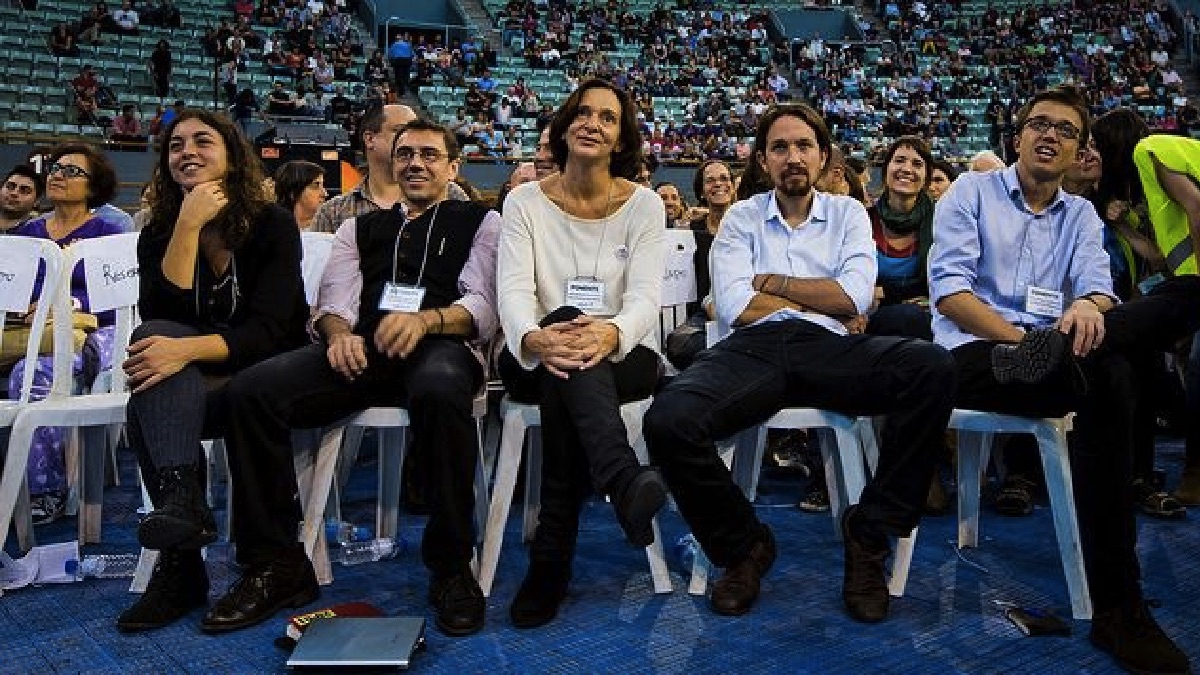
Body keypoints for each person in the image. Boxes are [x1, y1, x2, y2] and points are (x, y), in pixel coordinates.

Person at [643, 103, 956, 623]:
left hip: (829, 348)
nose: (793, 156)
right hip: (754, 349)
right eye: (780, 147)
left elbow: (855, 298)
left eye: (804, 146)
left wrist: (774, 283)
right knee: (669, 419)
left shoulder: (848, 213)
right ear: (763, 160)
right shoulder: (743, 216)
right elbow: (738, 304)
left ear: (823, 155)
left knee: (932, 368)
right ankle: (743, 548)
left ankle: (869, 533)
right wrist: (816, 298)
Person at [928, 86, 1195, 675]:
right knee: (1120, 366)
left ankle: (1119, 609)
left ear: (1079, 152)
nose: (1050, 135)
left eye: (1066, 130)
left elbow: (1098, 286)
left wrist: (1092, 307)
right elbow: (951, 294)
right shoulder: (971, 193)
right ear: (1017, 136)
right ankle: (1119, 610)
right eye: (1039, 124)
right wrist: (1027, 343)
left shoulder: (1080, 215)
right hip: (978, 358)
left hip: (1060, 361)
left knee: (1117, 361)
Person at [221, 118, 500, 636]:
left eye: (430, 155)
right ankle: (277, 563)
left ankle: (451, 567)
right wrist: (337, 334)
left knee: (440, 390)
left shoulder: (479, 221)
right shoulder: (357, 227)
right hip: (364, 350)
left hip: (441, 344)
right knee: (250, 391)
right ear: (392, 163)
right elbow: (334, 302)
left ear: (453, 166)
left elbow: (482, 304)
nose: (415, 163)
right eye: (405, 154)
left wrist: (426, 320)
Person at [115, 109, 312, 634]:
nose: (187, 152)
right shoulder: (160, 230)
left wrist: (183, 352)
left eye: (203, 141)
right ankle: (183, 509)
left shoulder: (271, 224)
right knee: (152, 354)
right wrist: (186, 223)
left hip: (271, 369)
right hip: (199, 379)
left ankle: (181, 561)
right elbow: (162, 318)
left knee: (153, 381)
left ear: (231, 156)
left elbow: (272, 329)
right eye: (176, 145)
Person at [496, 79, 667, 629]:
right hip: (533, 351)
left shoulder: (643, 205)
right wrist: (533, 336)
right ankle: (621, 479)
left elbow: (645, 297)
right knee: (562, 350)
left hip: (623, 351)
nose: (593, 124)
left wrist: (611, 333)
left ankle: (550, 562)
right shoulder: (524, 201)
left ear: (621, 139)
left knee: (572, 371)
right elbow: (514, 292)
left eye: (608, 118)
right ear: (565, 127)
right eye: (583, 113)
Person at [5, 145, 124, 525]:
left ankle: (44, 490)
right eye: (55, 168)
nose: (57, 174)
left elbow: (116, 302)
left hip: (93, 331)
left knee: (33, 374)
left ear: (94, 186)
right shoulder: (29, 233)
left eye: (71, 171)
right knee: (28, 366)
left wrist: (65, 303)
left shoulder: (109, 234)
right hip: (29, 332)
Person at [864, 136, 935, 342]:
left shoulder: (942, 221)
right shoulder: (862, 219)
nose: (906, 169)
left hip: (926, 317)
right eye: (899, 160)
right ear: (885, 170)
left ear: (926, 177)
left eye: (917, 164)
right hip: (871, 316)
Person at [310, 104, 415, 233]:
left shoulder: (441, 201)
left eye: (415, 133)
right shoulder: (332, 213)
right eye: (400, 131)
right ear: (370, 139)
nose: (411, 140)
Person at [273, 160, 326, 230]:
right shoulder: (271, 229)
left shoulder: (335, 228)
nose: (325, 194)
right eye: (315, 186)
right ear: (293, 192)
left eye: (322, 185)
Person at [0, 165, 43, 233]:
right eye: (10, 186)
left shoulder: (41, 234)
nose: (14, 193)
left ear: (36, 201)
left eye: (25, 191)